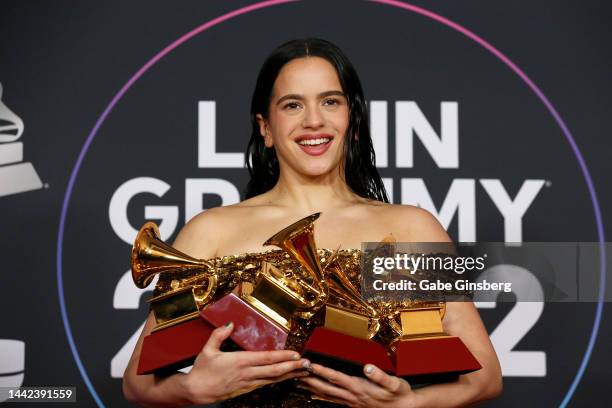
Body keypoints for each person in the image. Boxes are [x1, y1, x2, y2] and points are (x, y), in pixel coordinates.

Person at [123, 38, 502, 407]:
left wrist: (410, 405)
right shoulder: (211, 231)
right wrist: (192, 389)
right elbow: (137, 383)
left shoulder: (413, 228)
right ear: (265, 128)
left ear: (352, 120)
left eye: (330, 101)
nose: (314, 120)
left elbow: (484, 378)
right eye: (292, 105)